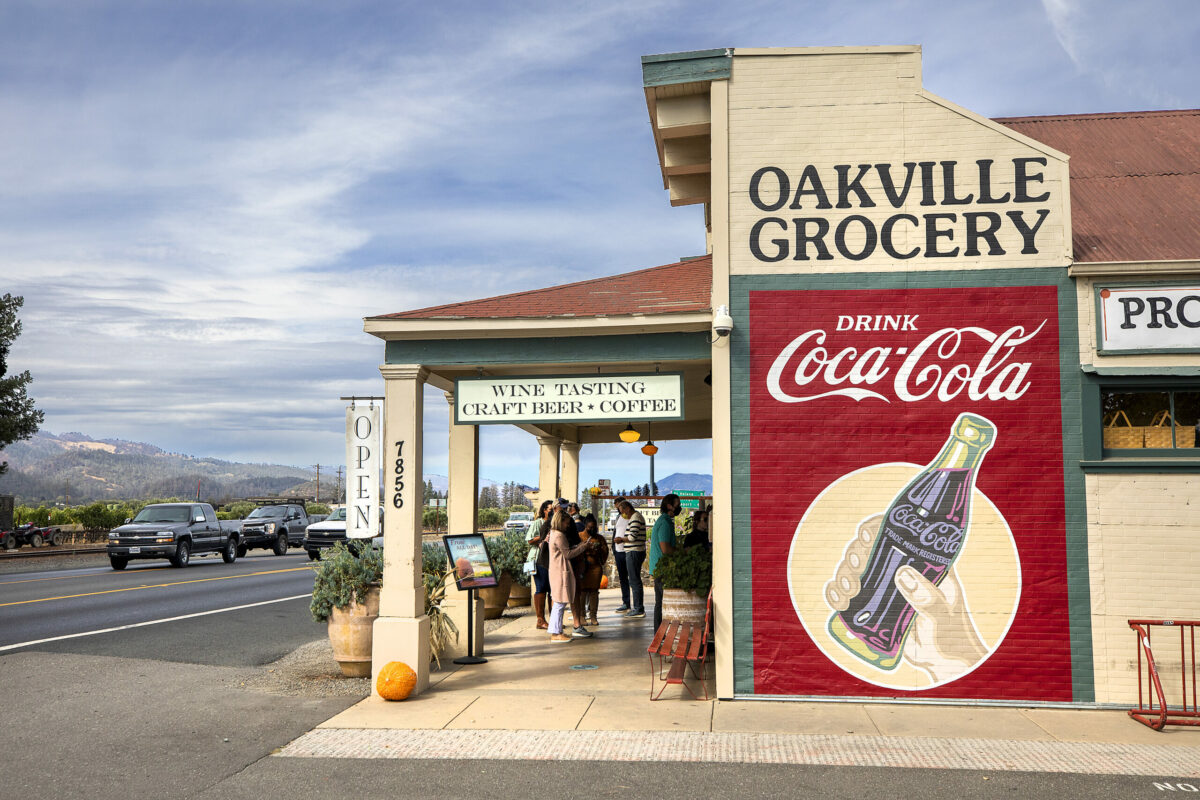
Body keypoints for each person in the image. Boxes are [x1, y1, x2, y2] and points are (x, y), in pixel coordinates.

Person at [546, 510, 590, 642]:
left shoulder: (553, 533)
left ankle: (557, 631)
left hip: (556, 570)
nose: (567, 526)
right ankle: (556, 633)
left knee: (559, 602)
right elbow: (568, 554)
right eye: (566, 523)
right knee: (559, 603)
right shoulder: (559, 535)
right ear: (560, 522)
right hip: (560, 571)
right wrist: (583, 547)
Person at [648, 493, 682, 630]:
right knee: (662, 603)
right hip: (662, 569)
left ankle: (659, 634)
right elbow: (665, 548)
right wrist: (682, 552)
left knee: (661, 602)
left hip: (660, 568)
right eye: (677, 504)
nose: (679, 507)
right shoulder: (665, 523)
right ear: (669, 506)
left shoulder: (664, 521)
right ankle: (660, 633)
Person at [525, 500, 554, 630]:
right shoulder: (537, 523)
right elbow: (529, 540)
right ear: (544, 510)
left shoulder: (555, 523)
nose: (551, 511)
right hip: (539, 559)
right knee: (541, 588)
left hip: (552, 560)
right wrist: (542, 538)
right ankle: (540, 620)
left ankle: (554, 620)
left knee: (552, 590)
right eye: (549, 509)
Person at [616, 500, 647, 618]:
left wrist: (621, 539)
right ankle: (638, 607)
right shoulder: (635, 517)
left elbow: (632, 537)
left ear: (627, 508)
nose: (623, 514)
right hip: (634, 551)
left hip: (634, 551)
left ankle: (638, 608)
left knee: (634, 581)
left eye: (622, 511)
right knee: (634, 580)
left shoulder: (635, 518)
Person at [577, 513, 609, 626]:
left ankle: (593, 616)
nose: (592, 529)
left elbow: (606, 551)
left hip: (596, 567)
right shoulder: (579, 536)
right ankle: (581, 616)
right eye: (589, 527)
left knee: (594, 592)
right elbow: (575, 550)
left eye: (594, 527)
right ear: (585, 526)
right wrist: (585, 547)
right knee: (582, 592)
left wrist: (599, 551)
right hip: (583, 567)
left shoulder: (599, 538)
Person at [611, 508, 631, 613]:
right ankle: (626, 602)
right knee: (623, 578)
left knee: (632, 578)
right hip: (618, 551)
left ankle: (636, 606)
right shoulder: (619, 517)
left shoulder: (631, 517)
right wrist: (613, 548)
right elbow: (615, 532)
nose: (619, 509)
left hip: (628, 550)